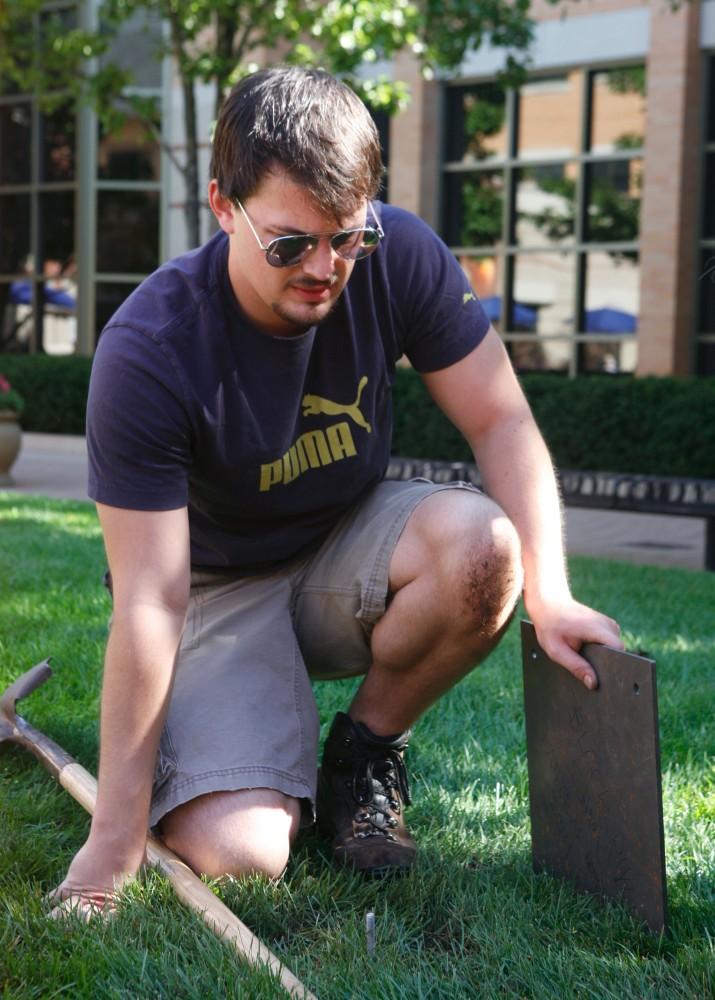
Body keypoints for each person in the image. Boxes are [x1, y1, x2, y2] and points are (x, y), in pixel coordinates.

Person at [52, 66, 622, 915]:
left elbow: (500, 423)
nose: (325, 267)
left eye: (347, 237)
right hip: (210, 584)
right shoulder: (151, 348)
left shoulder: (402, 256)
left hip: (339, 543)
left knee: (484, 551)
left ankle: (363, 753)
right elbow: (149, 598)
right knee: (240, 855)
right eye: (290, 243)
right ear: (221, 206)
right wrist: (113, 841)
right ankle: (229, 746)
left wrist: (554, 591)